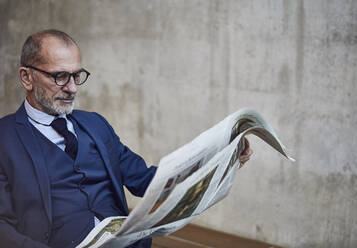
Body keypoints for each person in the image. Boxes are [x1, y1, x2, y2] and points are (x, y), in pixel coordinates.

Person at [0, 29, 252, 248]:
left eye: (77, 75)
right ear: (27, 77)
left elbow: (147, 180)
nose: (73, 88)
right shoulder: (5, 137)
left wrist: (222, 157)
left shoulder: (95, 125)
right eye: (60, 76)